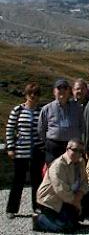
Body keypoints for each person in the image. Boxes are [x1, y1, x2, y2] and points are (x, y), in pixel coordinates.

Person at [5, 83, 45, 218]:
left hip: (37, 151)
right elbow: (10, 129)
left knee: (37, 181)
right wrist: (10, 147)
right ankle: (12, 209)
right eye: (30, 93)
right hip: (21, 151)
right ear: (26, 94)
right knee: (18, 180)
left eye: (36, 94)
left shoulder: (41, 111)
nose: (33, 96)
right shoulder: (17, 110)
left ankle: (37, 207)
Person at [33, 139, 89, 233]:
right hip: (50, 200)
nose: (78, 153)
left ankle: (70, 219)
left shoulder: (81, 162)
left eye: (81, 151)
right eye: (75, 150)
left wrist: (80, 193)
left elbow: (85, 181)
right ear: (67, 149)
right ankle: (39, 219)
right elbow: (61, 190)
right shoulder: (58, 165)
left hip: (69, 198)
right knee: (63, 229)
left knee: (72, 226)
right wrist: (76, 202)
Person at [38, 79, 84, 164]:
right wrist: (48, 143)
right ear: (54, 91)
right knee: (54, 173)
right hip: (53, 147)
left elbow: (82, 126)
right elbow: (41, 129)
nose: (62, 91)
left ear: (69, 91)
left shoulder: (77, 108)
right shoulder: (47, 109)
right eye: (59, 88)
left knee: (71, 173)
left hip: (73, 147)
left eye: (65, 88)